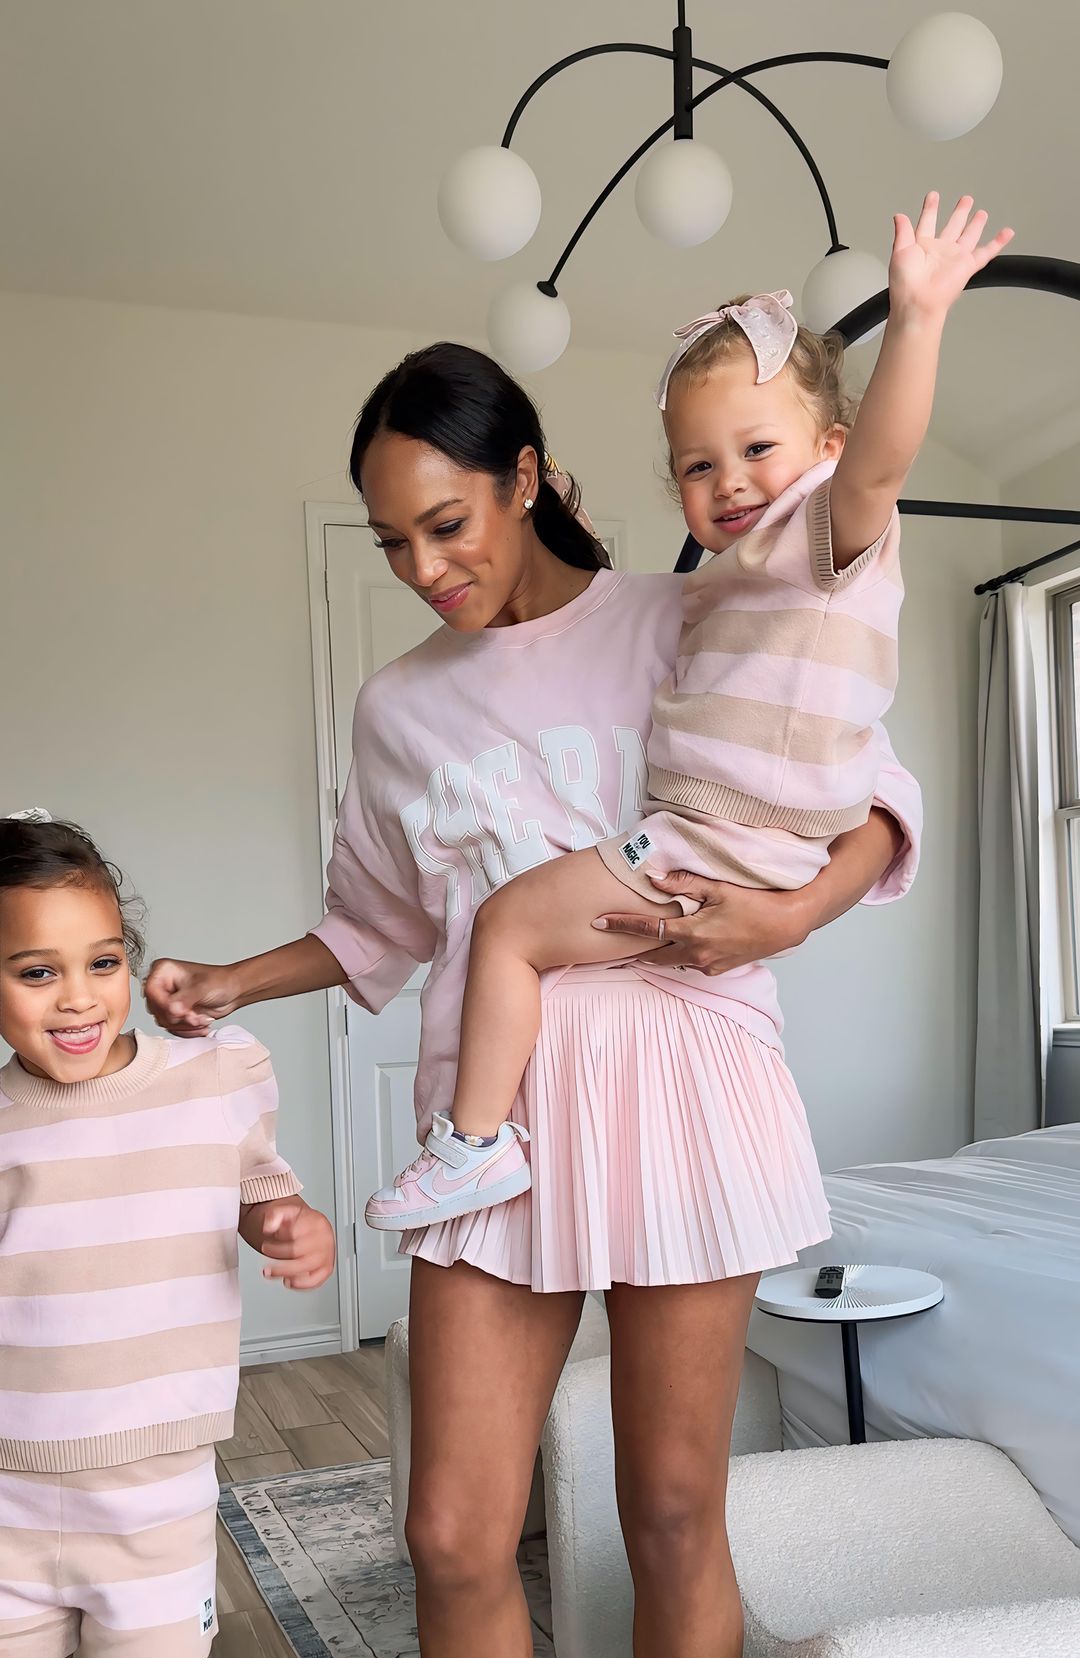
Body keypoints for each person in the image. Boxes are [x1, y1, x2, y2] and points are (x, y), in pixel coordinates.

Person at [144, 340, 921, 1658]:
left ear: (525, 478)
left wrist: (785, 917)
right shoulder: (395, 708)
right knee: (449, 1529)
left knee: (674, 1513)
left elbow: (863, 784)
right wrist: (230, 977)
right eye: (394, 542)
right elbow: (375, 925)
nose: (427, 568)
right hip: (489, 1127)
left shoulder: (688, 610)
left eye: (448, 524)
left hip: (685, 1083)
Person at [365, 191, 1012, 1235]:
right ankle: (478, 1140)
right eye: (698, 466)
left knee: (510, 924)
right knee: (508, 927)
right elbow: (375, 921)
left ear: (829, 449)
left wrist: (920, 318)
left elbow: (885, 462)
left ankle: (471, 1145)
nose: (731, 483)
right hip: (721, 845)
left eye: (759, 450)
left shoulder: (823, 545)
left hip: (716, 845)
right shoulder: (716, 592)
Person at [0, 812, 334, 1658]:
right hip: (4, 1508)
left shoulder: (215, 1074)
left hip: (152, 1504)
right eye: (35, 971)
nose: (77, 999)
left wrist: (289, 1225)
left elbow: (260, 1189)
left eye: (102, 962)